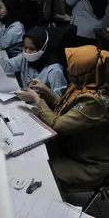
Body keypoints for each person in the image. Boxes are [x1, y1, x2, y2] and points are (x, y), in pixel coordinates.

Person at [17, 45, 109, 192]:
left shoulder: (95, 102)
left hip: (87, 164)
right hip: (69, 148)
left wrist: (36, 99)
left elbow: (57, 124)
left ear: (86, 73)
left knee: (39, 174)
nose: (68, 72)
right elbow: (64, 108)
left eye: (74, 70)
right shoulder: (85, 84)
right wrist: (46, 91)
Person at [0, 27, 67, 96]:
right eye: (25, 47)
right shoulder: (25, 57)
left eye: (32, 49)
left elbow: (59, 101)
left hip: (41, 105)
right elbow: (8, 65)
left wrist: (36, 97)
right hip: (24, 99)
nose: (27, 52)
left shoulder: (54, 70)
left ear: (43, 47)